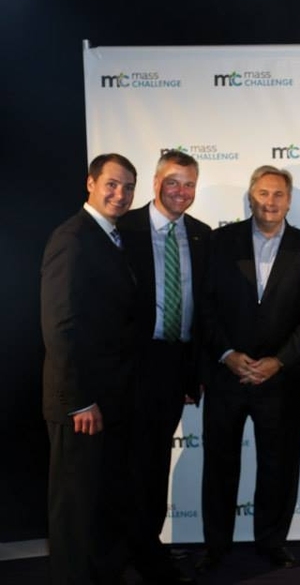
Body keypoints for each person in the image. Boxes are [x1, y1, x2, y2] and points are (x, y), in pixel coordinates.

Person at [195, 165, 300, 572]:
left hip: (280, 379)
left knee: (278, 466)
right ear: (251, 196)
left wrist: (279, 361)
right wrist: (227, 354)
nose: (270, 201)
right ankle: (216, 545)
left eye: (278, 194)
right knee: (220, 466)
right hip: (228, 375)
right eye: (263, 193)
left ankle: (272, 541)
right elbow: (204, 305)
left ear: (289, 200)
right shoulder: (220, 241)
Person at [41, 153, 138, 585]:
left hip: (109, 397)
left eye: (128, 187)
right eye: (112, 184)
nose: (120, 194)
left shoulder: (113, 237)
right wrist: (79, 401)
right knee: (75, 508)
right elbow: (60, 326)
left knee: (101, 501)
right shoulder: (73, 238)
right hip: (80, 403)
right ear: (91, 183)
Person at [117, 150, 209, 584]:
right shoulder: (122, 227)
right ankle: (126, 551)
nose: (181, 191)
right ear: (155, 183)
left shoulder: (201, 235)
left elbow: (203, 311)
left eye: (189, 184)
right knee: (127, 463)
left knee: (155, 462)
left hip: (175, 365)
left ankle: (147, 547)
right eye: (173, 182)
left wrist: (193, 375)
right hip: (130, 365)